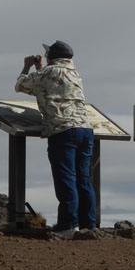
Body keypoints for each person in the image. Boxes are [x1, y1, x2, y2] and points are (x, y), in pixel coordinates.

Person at [15, 40, 96, 239]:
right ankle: (89, 225)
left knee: (66, 179)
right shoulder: (74, 73)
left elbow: (21, 86)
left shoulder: (49, 73)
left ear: (52, 56)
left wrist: (27, 66)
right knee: (83, 180)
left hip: (63, 131)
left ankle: (68, 226)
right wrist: (40, 67)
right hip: (85, 130)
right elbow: (46, 87)